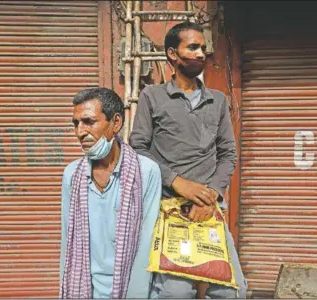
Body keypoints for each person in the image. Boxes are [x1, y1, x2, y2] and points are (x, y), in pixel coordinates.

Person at [129, 22, 247, 298]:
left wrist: (213, 195)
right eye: (192, 47)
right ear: (172, 54)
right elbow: (138, 149)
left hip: (208, 210)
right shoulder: (152, 96)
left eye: (203, 48)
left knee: (232, 292)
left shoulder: (217, 100)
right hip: (169, 209)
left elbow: (228, 153)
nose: (200, 53)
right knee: (176, 294)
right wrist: (177, 182)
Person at [59, 88, 162, 299]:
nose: (80, 132)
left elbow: (147, 244)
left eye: (89, 122)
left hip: (133, 290)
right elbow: (67, 244)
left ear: (115, 123)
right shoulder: (72, 175)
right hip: (86, 290)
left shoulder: (145, 172)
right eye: (76, 124)